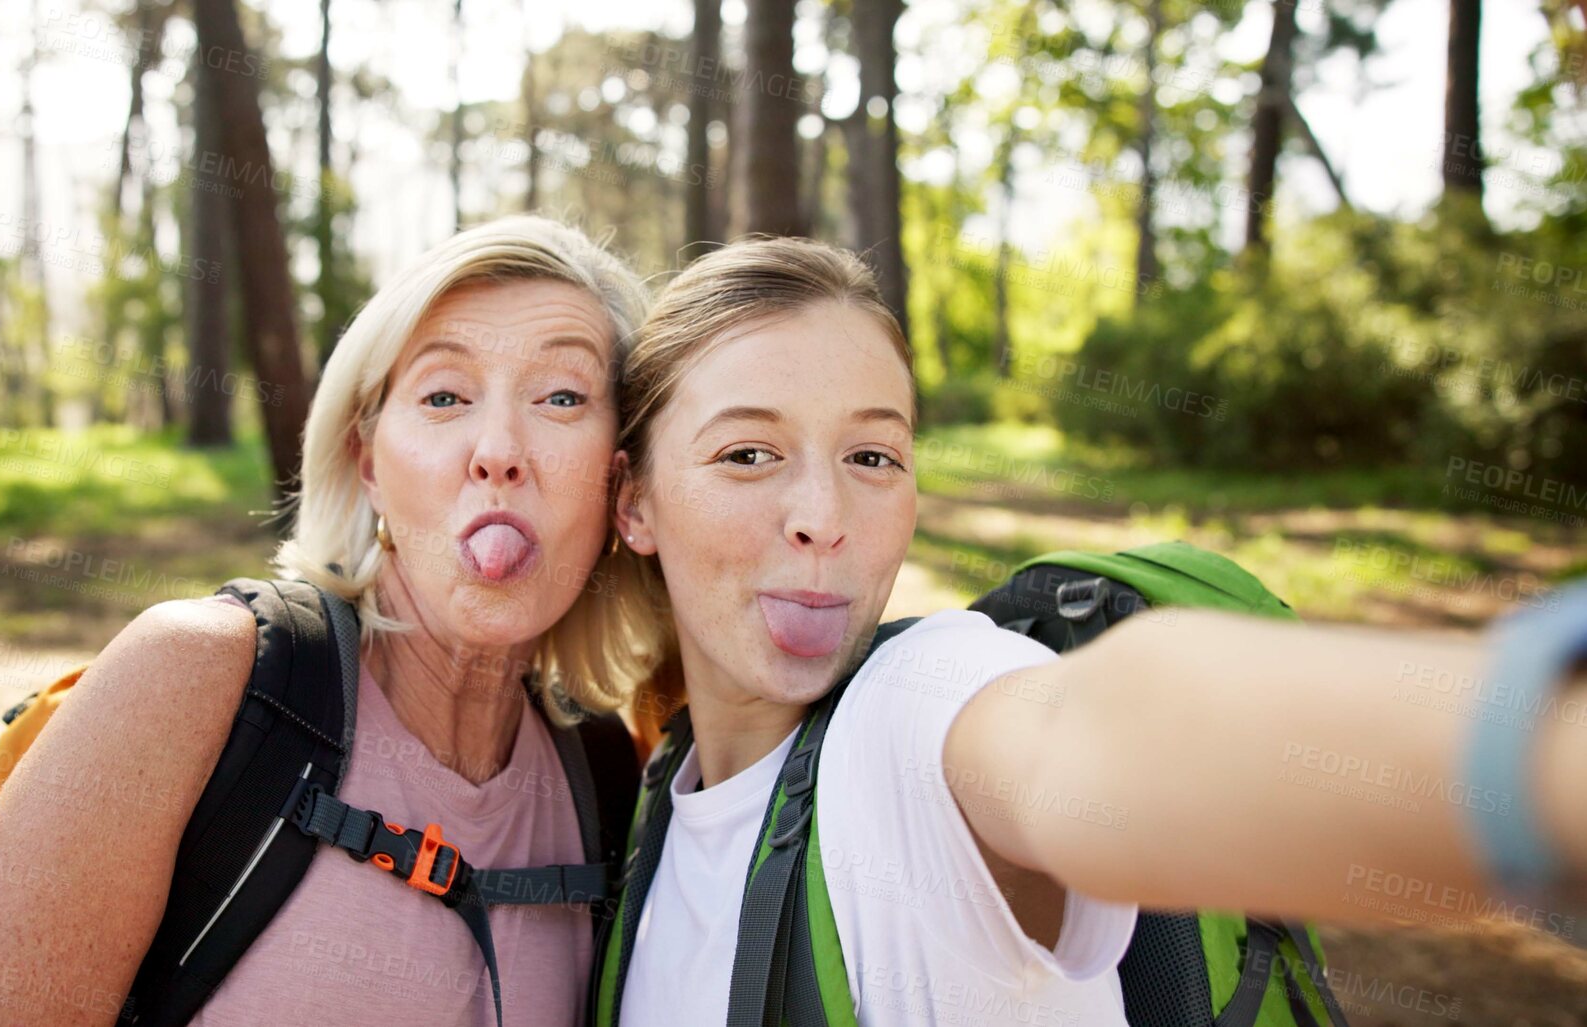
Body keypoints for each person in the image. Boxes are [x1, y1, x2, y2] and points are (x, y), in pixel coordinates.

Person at [600, 236, 1586, 1026]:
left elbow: (1099, 732)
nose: (824, 510)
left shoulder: (917, 708)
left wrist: (1541, 756)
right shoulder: (647, 814)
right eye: (746, 453)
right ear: (635, 501)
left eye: (871, 453)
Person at [0, 216, 669, 1027]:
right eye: (444, 395)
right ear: (368, 461)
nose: (497, 450)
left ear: (622, 479)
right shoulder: (196, 681)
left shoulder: (605, 773)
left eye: (562, 396)